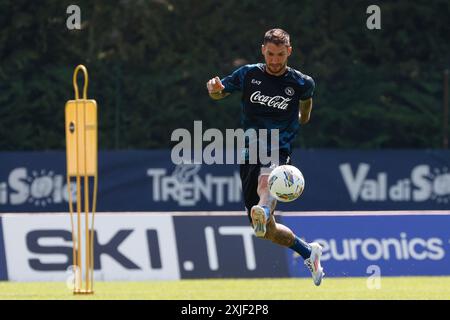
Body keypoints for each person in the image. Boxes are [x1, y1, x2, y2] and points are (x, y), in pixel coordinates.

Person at [206, 28, 324, 286]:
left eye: (280, 55)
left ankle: (263, 206)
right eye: (270, 54)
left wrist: (301, 116)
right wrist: (213, 88)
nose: (274, 60)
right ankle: (309, 252)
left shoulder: (302, 82)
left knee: (265, 183)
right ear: (263, 50)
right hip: (248, 150)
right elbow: (219, 93)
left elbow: (305, 110)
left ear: (289, 52)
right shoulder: (248, 74)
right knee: (265, 231)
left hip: (277, 146)